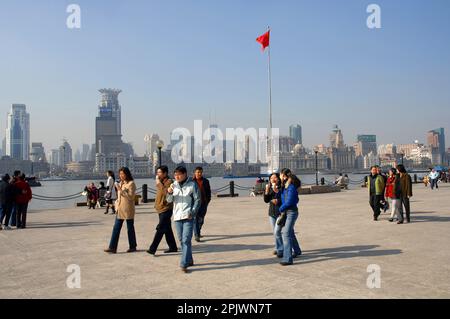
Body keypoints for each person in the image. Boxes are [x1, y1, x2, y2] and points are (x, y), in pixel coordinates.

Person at [166, 166, 200, 273]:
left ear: (185, 174)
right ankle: (189, 259)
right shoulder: (173, 185)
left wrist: (193, 212)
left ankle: (183, 263)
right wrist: (170, 192)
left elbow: (198, 199)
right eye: (175, 174)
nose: (177, 176)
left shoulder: (192, 184)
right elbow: (169, 200)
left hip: (188, 216)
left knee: (186, 239)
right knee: (181, 240)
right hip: (177, 217)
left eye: (179, 174)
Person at [104, 167, 137, 254]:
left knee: (130, 228)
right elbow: (119, 196)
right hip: (120, 208)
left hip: (128, 209)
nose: (121, 176)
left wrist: (120, 190)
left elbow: (131, 197)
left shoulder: (131, 184)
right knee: (116, 228)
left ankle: (133, 246)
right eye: (120, 174)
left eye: (123, 174)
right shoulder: (121, 183)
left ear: (127, 174)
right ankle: (112, 247)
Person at [147, 165, 178, 255]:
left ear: (165, 173)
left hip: (166, 209)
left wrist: (158, 182)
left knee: (160, 229)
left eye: (160, 172)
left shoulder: (169, 182)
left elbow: (166, 192)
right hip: (160, 208)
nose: (158, 174)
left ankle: (153, 248)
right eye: (157, 172)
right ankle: (173, 247)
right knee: (167, 228)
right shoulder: (161, 181)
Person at [278, 168, 302, 266]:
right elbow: (282, 197)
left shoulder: (291, 187)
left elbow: (290, 201)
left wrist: (281, 208)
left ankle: (288, 258)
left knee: (286, 233)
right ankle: (297, 251)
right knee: (290, 232)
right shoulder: (285, 186)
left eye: (280, 175)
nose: (280, 177)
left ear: (284, 176)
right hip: (287, 212)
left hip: (291, 212)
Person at [263, 172, 283, 257]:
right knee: (275, 232)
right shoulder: (269, 188)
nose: (273, 180)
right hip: (271, 213)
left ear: (278, 179)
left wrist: (278, 199)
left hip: (280, 213)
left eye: (275, 178)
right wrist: (267, 192)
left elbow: (284, 199)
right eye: (271, 178)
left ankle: (281, 250)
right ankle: (277, 247)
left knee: (277, 232)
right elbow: (266, 200)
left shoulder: (282, 188)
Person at [192, 166, 211, 242]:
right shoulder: (191, 181)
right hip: (194, 204)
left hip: (203, 203)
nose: (199, 174)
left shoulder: (206, 181)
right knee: (195, 219)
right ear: (195, 172)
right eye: (197, 172)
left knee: (201, 219)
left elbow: (208, 192)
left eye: (200, 172)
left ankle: (198, 231)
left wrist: (208, 201)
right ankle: (197, 235)